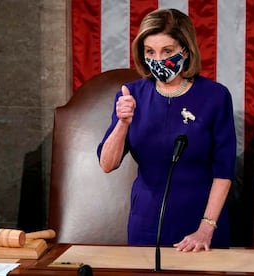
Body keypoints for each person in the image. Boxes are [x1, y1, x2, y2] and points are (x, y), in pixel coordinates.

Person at [97, 8, 236, 252]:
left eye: (167, 51)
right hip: (146, 225)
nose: (158, 60)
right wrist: (122, 122)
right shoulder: (131, 95)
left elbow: (224, 170)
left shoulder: (215, 96)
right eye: (150, 51)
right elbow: (107, 164)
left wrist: (206, 228)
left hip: (202, 226)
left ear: (185, 50)